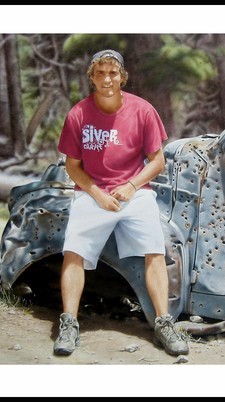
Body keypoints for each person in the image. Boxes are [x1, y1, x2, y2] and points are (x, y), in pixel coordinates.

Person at [53, 49, 188, 357]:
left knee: (154, 248)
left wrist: (131, 185)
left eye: (113, 73)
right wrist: (97, 193)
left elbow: (157, 162)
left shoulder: (142, 111)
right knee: (73, 251)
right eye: (100, 73)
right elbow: (72, 165)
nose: (107, 79)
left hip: (134, 191)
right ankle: (69, 323)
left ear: (122, 77)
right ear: (92, 77)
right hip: (92, 192)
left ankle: (164, 323)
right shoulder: (78, 114)